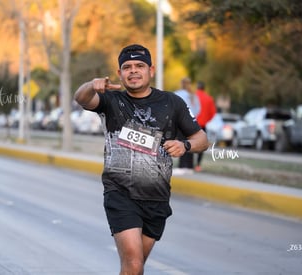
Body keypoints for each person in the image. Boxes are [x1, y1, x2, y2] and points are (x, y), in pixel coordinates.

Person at [73, 44, 208, 274]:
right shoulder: (111, 100)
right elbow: (82, 98)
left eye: (139, 66)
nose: (133, 71)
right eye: (127, 67)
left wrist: (184, 145)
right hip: (120, 194)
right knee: (134, 263)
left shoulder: (172, 103)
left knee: (134, 267)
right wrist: (91, 85)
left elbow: (202, 139)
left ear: (151, 70)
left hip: (157, 199)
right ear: (119, 74)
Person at [173, 77, 201, 174]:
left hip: (181, 122)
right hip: (192, 122)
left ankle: (182, 166)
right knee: (190, 144)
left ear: (182, 84)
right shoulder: (193, 95)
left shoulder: (177, 94)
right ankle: (189, 167)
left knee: (182, 143)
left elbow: (174, 108)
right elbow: (198, 109)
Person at [194, 81, 216, 172]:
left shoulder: (193, 97)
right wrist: (206, 120)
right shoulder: (209, 98)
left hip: (191, 123)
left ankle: (187, 164)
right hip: (202, 125)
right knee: (201, 145)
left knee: (189, 144)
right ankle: (198, 165)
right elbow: (213, 113)